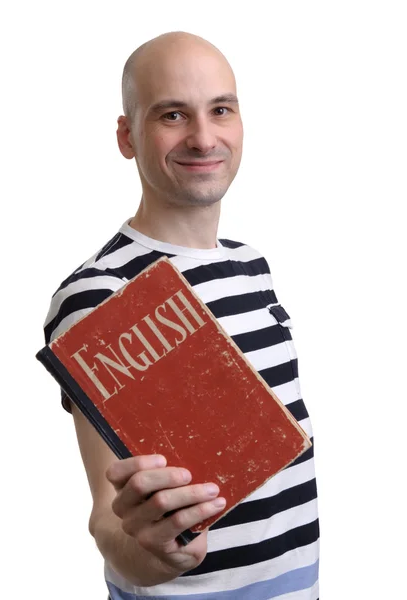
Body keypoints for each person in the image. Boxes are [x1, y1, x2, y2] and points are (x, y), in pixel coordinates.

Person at [43, 31, 319, 600]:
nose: (203, 137)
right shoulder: (101, 294)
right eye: (172, 114)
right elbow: (109, 519)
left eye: (221, 109)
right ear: (127, 135)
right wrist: (150, 555)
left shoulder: (251, 265)